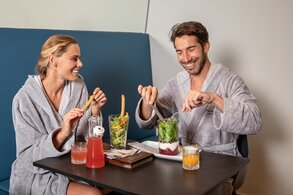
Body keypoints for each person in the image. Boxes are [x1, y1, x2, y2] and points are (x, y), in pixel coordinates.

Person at [135, 21, 262, 157]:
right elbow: (147, 123)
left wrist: (213, 98)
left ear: (205, 46)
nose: (186, 58)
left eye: (191, 49)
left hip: (222, 162)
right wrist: (147, 102)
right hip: (184, 159)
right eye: (179, 52)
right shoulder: (176, 83)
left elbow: (254, 121)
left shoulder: (229, 80)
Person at [10, 35, 106, 195]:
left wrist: (94, 113)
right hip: (36, 175)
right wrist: (63, 133)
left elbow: (86, 141)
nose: (80, 64)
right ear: (53, 60)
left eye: (80, 58)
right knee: (92, 194)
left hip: (73, 169)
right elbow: (27, 159)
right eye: (74, 59)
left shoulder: (78, 86)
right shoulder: (24, 99)